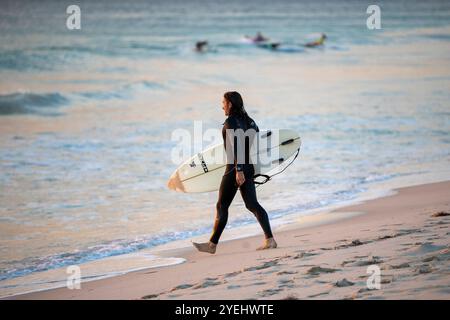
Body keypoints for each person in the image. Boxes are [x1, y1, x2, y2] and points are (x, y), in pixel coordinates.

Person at [192, 92, 277, 254]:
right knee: (252, 205)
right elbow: (256, 140)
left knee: (222, 206)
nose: (222, 105)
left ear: (230, 103)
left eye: (223, 102)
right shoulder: (250, 121)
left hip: (234, 169)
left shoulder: (230, 121)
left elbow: (237, 144)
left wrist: (238, 170)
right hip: (248, 167)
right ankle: (270, 240)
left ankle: (212, 245)